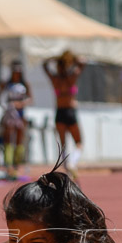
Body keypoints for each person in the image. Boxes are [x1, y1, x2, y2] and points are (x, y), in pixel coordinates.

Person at [43, 50, 86, 178]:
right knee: (79, 142)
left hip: (59, 112)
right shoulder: (71, 77)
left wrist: (54, 58)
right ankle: (72, 162)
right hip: (70, 111)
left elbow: (44, 66)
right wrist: (73, 59)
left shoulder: (55, 79)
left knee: (63, 145)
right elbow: (83, 63)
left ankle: (67, 170)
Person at [0, 60, 33, 180]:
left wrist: (20, 103)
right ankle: (8, 163)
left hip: (20, 113)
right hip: (9, 113)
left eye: (18, 71)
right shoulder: (6, 84)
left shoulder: (25, 84)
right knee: (8, 136)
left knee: (19, 136)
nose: (16, 73)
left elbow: (30, 99)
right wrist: (6, 105)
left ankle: (18, 163)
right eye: (14, 71)